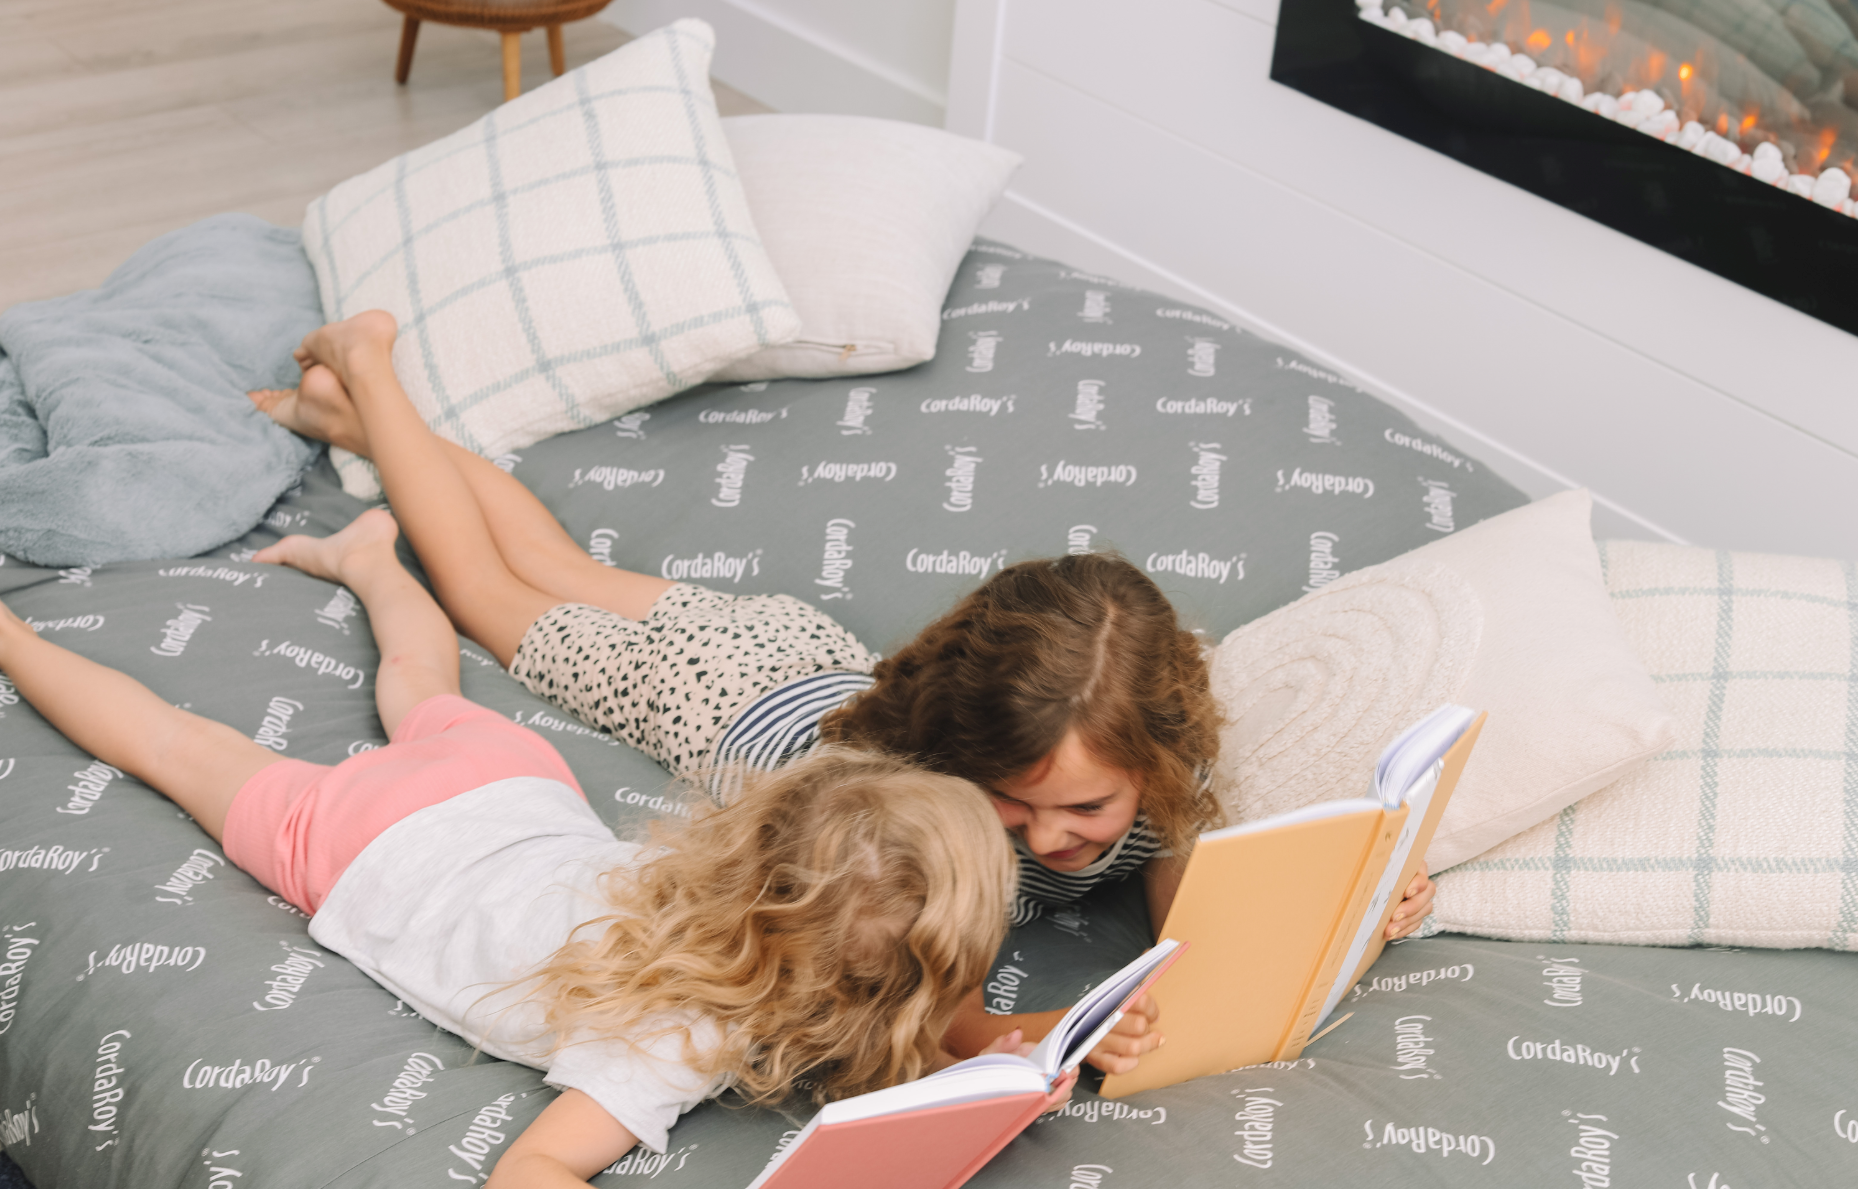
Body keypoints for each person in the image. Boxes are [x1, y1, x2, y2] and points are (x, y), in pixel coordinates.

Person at [249, 310, 1435, 1068]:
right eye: (1012, 806)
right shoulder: (912, 827)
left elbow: (1197, 909)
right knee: (481, 588)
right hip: (709, 693)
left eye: (1087, 812)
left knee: (563, 567)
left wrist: (1342, 914)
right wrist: (1051, 1037)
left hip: (793, 649)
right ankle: (369, 366)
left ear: (1151, 768)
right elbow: (956, 1022)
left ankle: (350, 415)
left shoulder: (1152, 780)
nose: (1047, 840)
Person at [0, 513, 1070, 1188]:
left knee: (419, 684)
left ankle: (366, 558)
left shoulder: (722, 884)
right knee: (177, 748)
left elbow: (914, 1002)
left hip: (510, 789)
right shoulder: (678, 1038)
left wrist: (1002, 1053)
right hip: (370, 846)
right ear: (847, 998)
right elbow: (535, 1165)